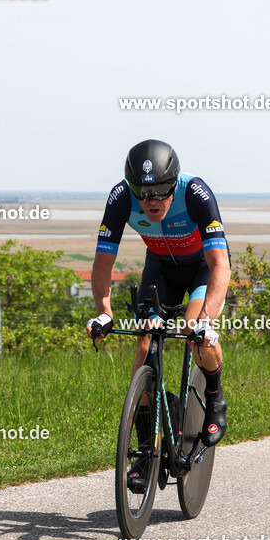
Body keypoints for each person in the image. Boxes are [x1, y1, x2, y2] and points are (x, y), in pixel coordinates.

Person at [86, 139, 231, 490]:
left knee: (193, 333)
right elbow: (103, 263)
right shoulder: (120, 197)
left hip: (201, 269)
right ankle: (143, 453)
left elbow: (220, 265)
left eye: (161, 192)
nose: (152, 201)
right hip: (160, 270)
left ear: (174, 183)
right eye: (143, 193)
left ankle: (214, 395)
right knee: (144, 348)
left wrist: (206, 323)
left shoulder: (196, 193)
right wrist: (103, 313)